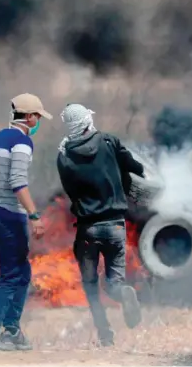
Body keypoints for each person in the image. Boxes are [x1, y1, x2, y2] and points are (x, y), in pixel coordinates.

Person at [56, 103, 144, 347]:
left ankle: (105, 334)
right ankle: (122, 292)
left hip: (87, 229)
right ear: (87, 121)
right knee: (115, 282)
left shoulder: (63, 155)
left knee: (90, 285)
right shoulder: (109, 142)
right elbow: (136, 167)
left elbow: (70, 191)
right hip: (115, 225)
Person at [0, 93, 52, 352]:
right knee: (11, 276)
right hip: (11, 216)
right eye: (38, 117)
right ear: (29, 117)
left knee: (22, 272)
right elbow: (18, 181)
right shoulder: (22, 142)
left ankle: (12, 330)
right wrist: (34, 215)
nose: (38, 121)